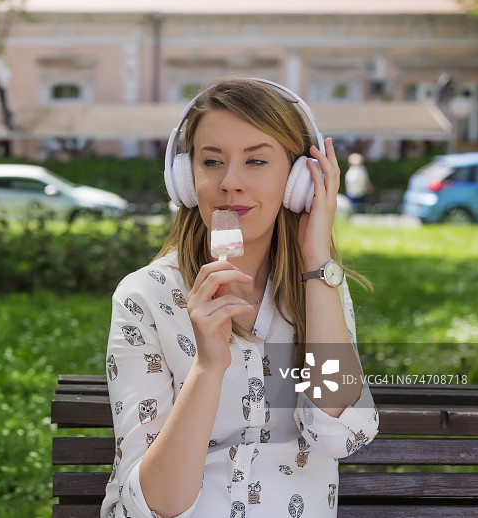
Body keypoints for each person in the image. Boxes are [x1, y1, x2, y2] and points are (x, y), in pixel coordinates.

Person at [101, 77, 379, 518]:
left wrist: (316, 260)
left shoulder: (322, 286)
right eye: (212, 161)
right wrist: (208, 367)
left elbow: (337, 435)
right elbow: (155, 505)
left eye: (256, 161)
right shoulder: (145, 297)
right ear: (186, 179)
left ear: (299, 180)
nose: (230, 182)